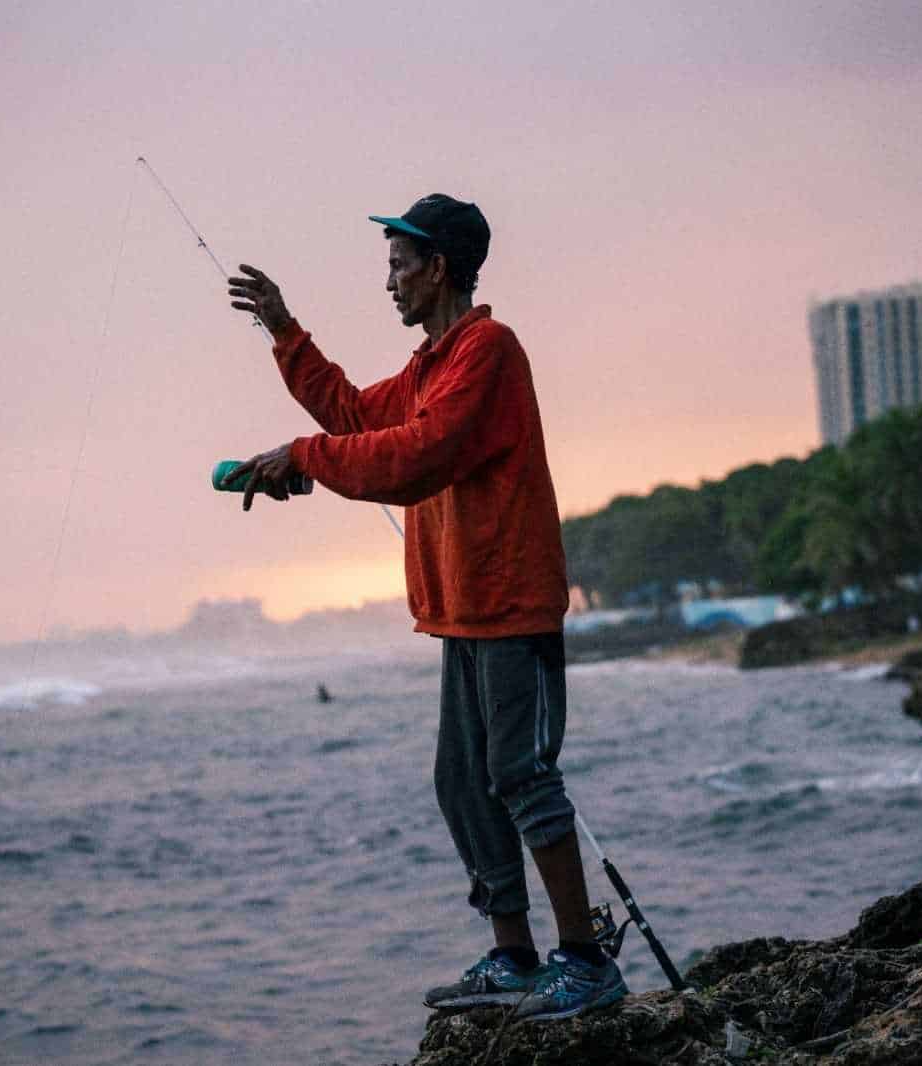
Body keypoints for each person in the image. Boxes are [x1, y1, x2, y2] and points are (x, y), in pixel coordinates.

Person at [220, 194, 626, 1021]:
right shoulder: (427, 367)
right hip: (462, 609)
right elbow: (356, 419)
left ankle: (584, 961)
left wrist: (304, 457)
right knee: (462, 784)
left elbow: (417, 455)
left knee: (521, 776)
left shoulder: (488, 352)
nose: (390, 285)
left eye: (399, 267)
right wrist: (284, 332)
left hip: (510, 604)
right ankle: (515, 956)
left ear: (439, 267)